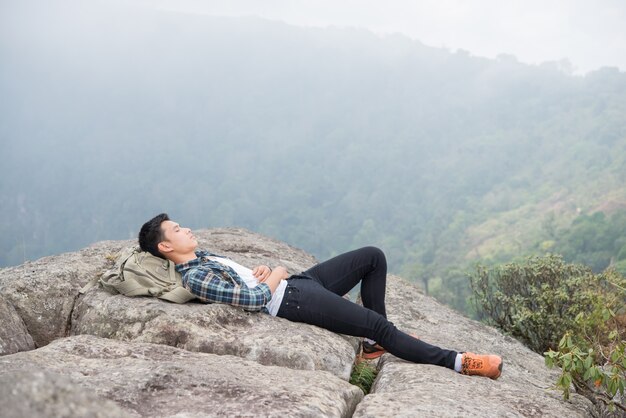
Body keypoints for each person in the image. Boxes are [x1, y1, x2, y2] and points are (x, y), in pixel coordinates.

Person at [138, 213, 503, 379]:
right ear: (166, 245)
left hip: (300, 283)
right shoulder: (196, 276)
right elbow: (251, 302)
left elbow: (242, 285)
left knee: (372, 257)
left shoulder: (202, 257)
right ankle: (458, 362)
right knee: (378, 323)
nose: (186, 228)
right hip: (291, 300)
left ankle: (374, 343)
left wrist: (261, 272)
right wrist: (276, 273)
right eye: (177, 229)